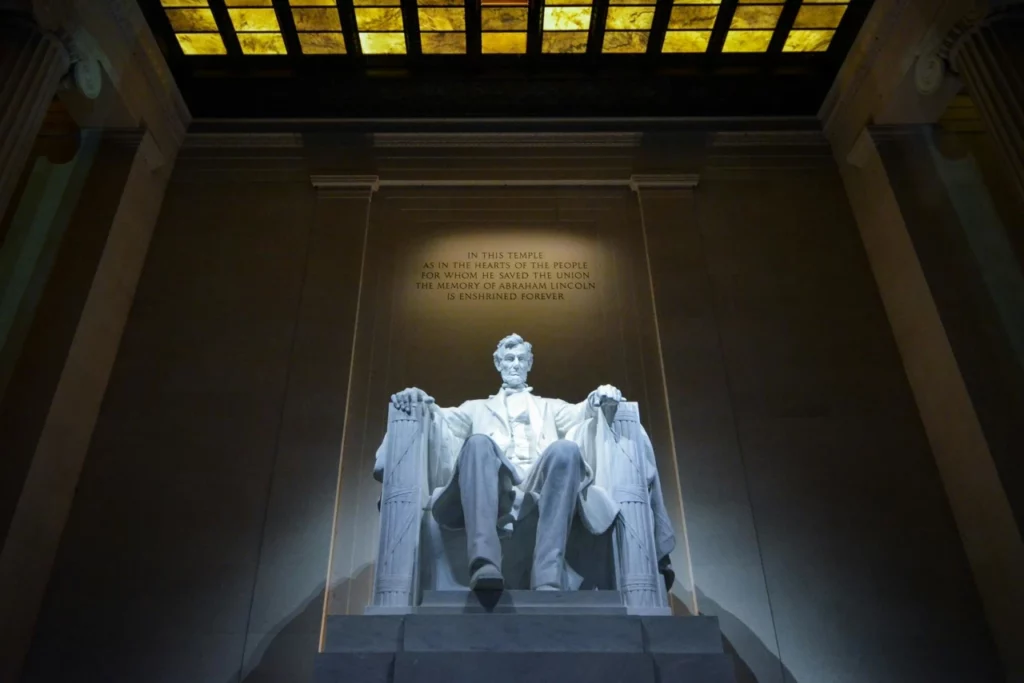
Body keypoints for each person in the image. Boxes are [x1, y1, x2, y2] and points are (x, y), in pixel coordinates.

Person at [382, 333, 624, 591]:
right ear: (498, 364)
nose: (516, 364)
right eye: (509, 359)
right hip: (496, 479)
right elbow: (440, 418)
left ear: (530, 364)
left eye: (522, 359)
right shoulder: (475, 408)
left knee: (566, 450)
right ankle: (484, 564)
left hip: (539, 479)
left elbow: (582, 412)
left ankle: (547, 575)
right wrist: (419, 399)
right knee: (476, 443)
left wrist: (599, 396)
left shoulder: (550, 407)